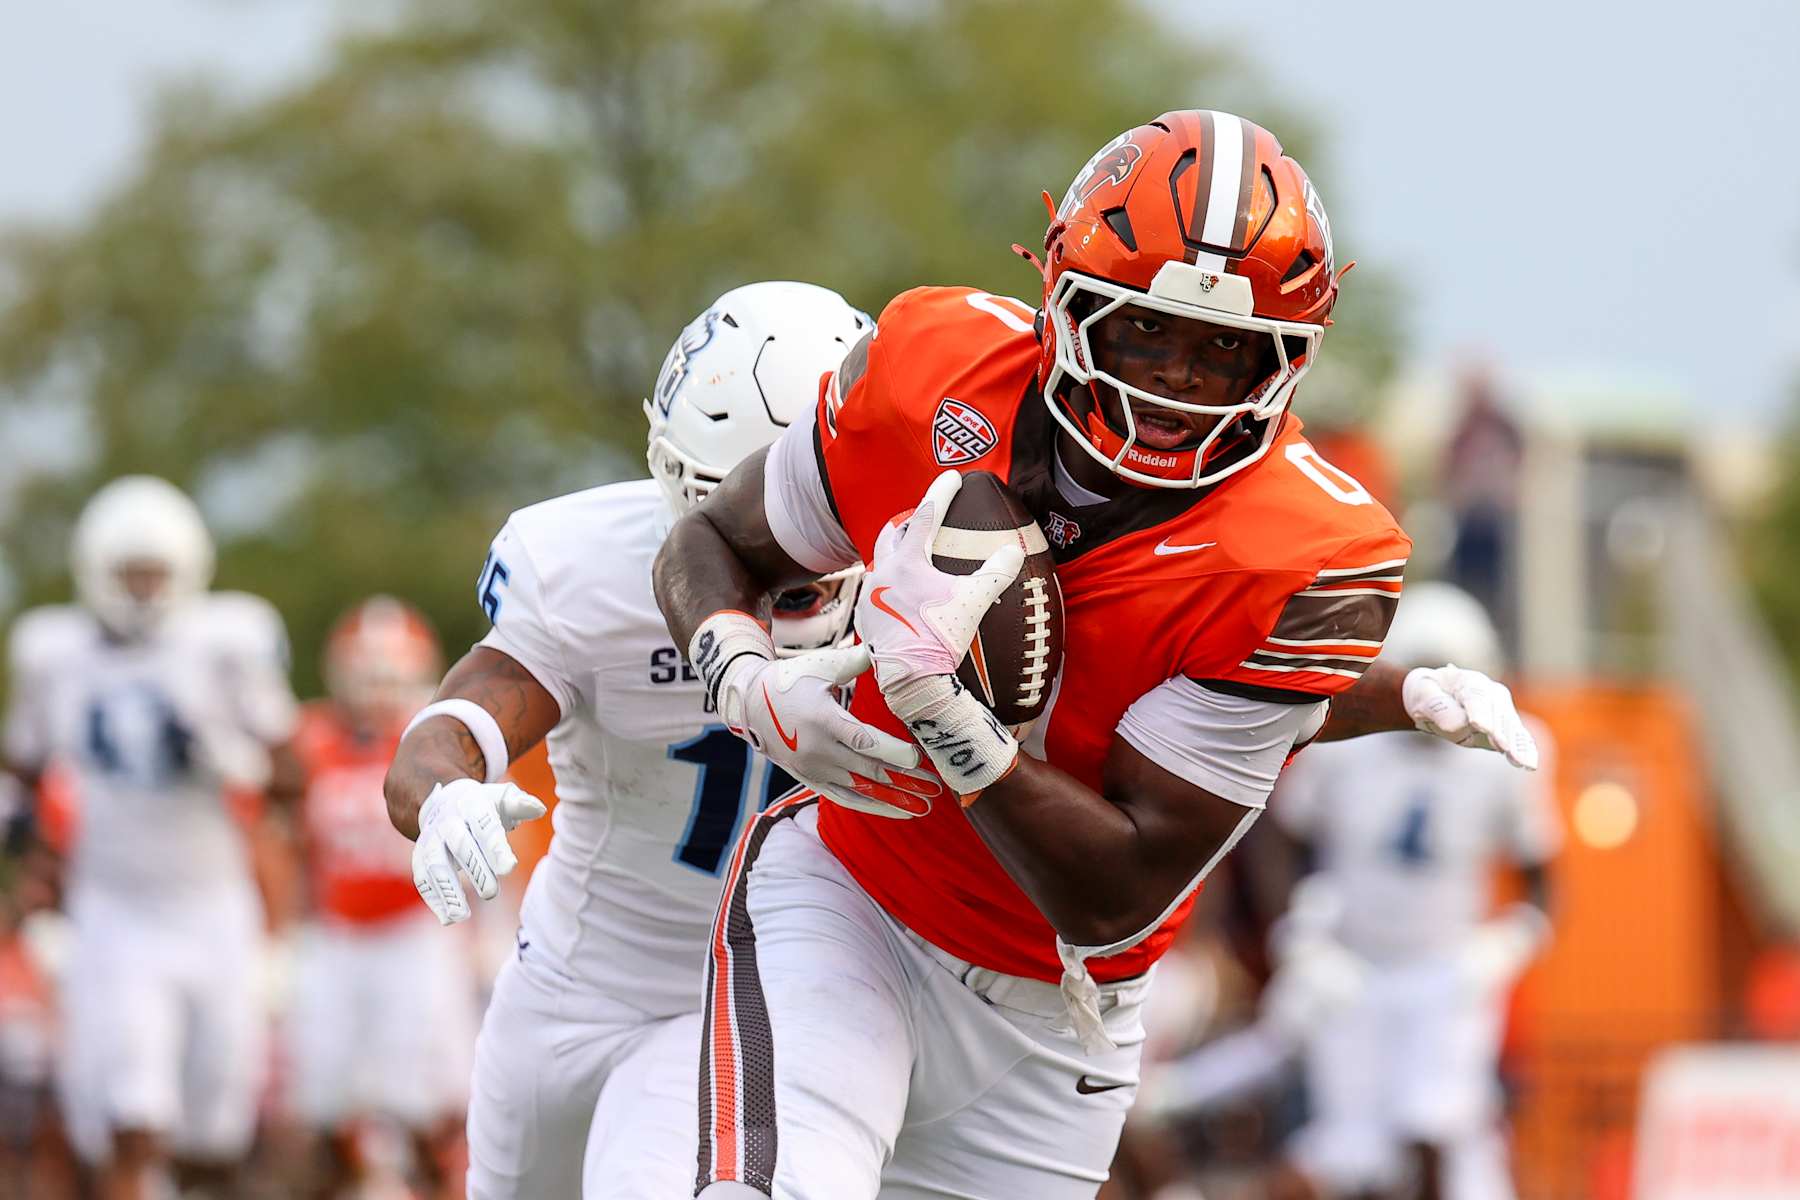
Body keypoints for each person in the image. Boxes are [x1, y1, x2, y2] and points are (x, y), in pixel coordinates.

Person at [649, 110, 1540, 1199]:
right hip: (851, 901)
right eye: (1144, 332)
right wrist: (741, 676)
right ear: (1063, 300)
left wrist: (942, 708)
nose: (1175, 385)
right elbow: (712, 540)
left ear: (1288, 360)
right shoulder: (932, 365)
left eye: (1224, 351)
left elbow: (1112, 890)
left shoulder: (1309, 555)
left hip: (1066, 1008)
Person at [381, 281, 874, 1199]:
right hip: (577, 984)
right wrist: (447, 790)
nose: (782, 556)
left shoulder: (931, 570)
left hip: (778, 993)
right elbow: (452, 728)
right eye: (747, 525)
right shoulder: (589, 570)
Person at [1, 476, 301, 1200]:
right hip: (114, 911)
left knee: (215, 1137)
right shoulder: (56, 652)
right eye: (127, 573)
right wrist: (31, 864)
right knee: (134, 1118)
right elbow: (23, 772)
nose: (140, 590)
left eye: (154, 573)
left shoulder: (226, 643)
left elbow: (295, 777)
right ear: (95, 571)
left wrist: (239, 757)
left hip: (214, 907)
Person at [1268, 582, 1559, 1200]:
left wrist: (1507, 944)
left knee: (1437, 1128)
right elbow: (1283, 839)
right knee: (1349, 1151)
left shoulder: (1511, 749)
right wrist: (1299, 933)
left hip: (1445, 970)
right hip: (1352, 963)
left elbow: (1542, 881)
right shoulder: (1342, 746)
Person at [286, 596, 478, 1198]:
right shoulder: (308, 738)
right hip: (335, 937)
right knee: (324, 1104)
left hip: (415, 936)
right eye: (364, 676)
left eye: (388, 677)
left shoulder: (436, 741)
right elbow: (285, 840)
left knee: (430, 1103)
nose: (374, 691)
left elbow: (488, 850)